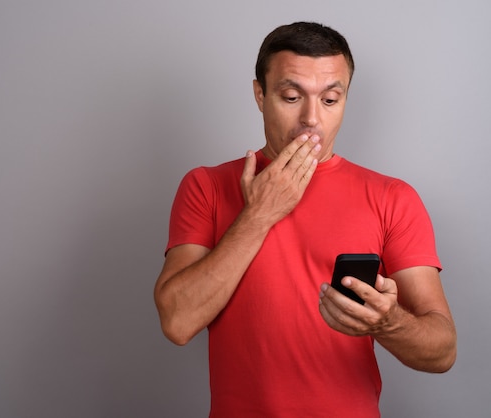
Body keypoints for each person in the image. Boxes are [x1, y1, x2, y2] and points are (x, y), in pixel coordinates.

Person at [153, 22, 456, 417]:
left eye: (330, 100)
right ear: (260, 95)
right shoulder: (206, 186)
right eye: (292, 96)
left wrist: (388, 323)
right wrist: (259, 215)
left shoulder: (392, 198)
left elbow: (443, 350)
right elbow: (177, 322)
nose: (311, 118)